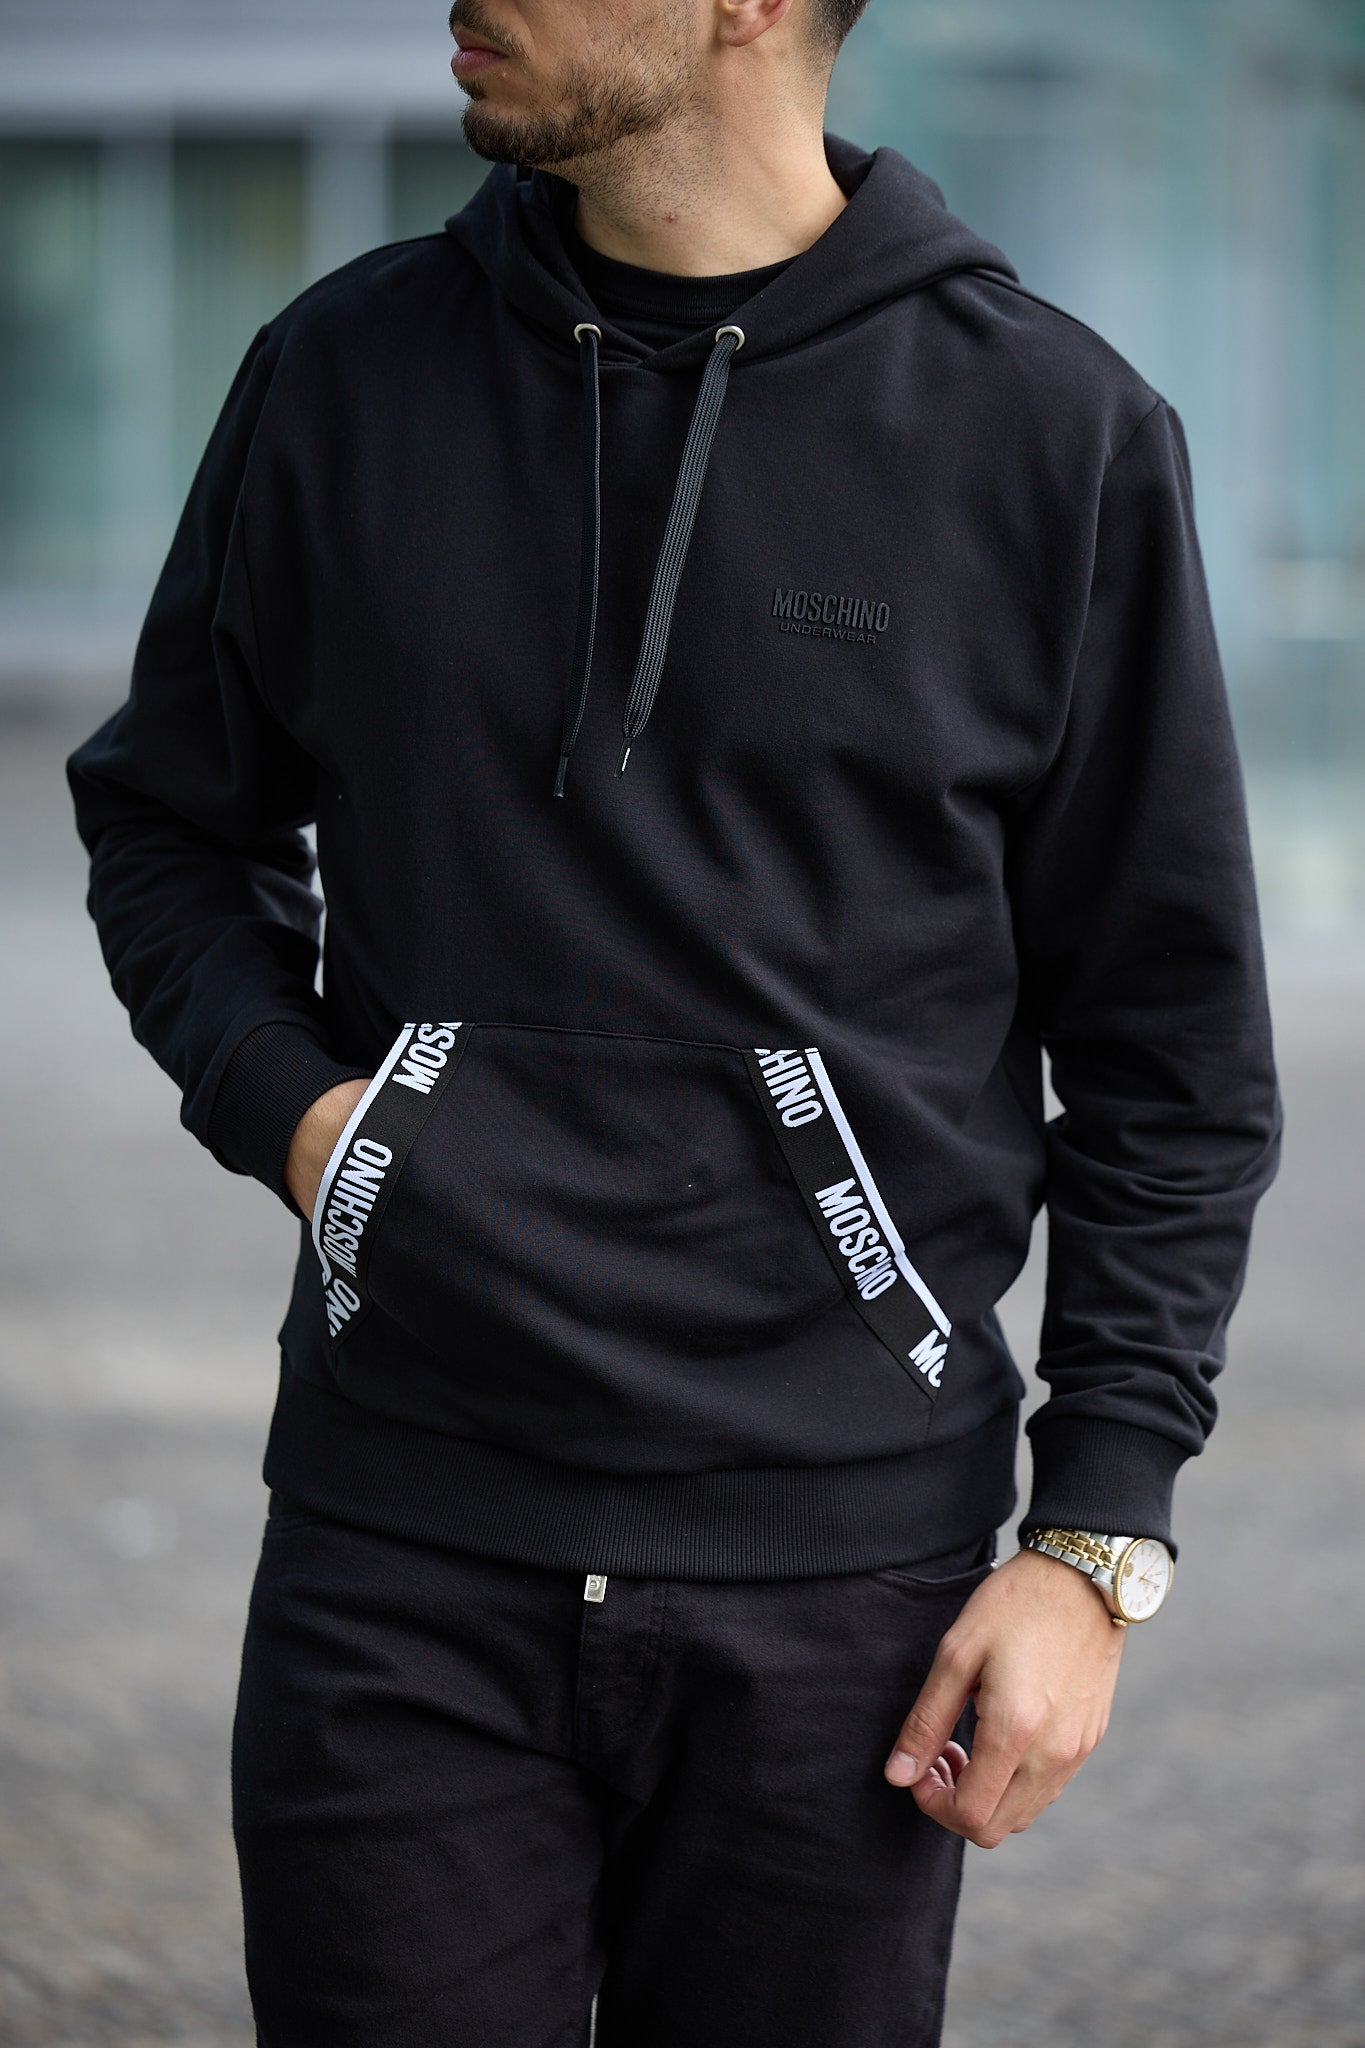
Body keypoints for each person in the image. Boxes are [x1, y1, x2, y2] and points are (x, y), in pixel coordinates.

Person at [65, 0, 1283, 2041]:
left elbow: (1171, 1045)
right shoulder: (341, 375)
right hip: (401, 1547)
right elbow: (170, 822)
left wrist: (1092, 1537)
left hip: (847, 1589)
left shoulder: (1048, 433)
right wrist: (309, 1121)